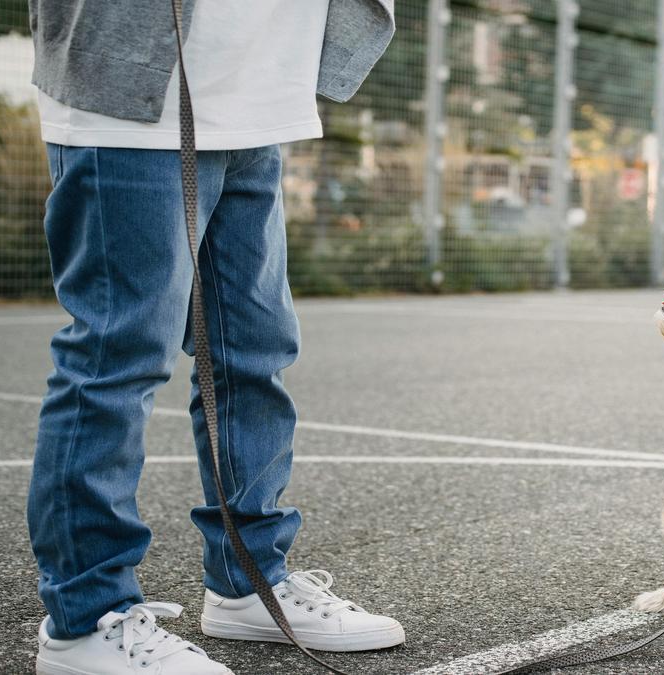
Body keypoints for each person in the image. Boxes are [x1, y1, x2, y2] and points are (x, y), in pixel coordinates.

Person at [26, 2, 401, 673]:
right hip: (134, 106)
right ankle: (85, 619)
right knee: (117, 357)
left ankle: (247, 581)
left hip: (258, 97)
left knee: (253, 352)